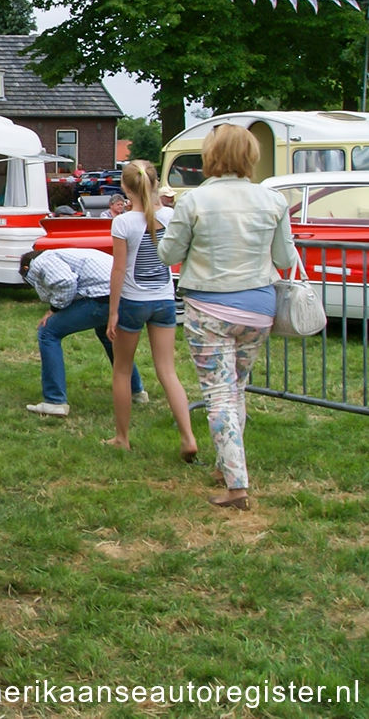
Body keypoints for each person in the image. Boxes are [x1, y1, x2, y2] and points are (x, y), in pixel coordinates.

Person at [157, 124, 296, 511]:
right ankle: (225, 464)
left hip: (210, 308)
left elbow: (169, 255)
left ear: (210, 155)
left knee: (218, 393)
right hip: (259, 308)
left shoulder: (194, 201)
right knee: (236, 388)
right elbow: (285, 259)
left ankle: (236, 485)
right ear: (250, 156)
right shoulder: (272, 201)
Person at [105, 160, 199, 459]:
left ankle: (122, 437)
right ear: (156, 183)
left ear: (124, 188)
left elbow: (119, 270)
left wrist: (112, 312)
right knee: (168, 371)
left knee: (121, 370)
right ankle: (187, 436)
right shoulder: (170, 216)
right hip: (164, 301)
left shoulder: (122, 222)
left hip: (133, 302)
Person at [21, 249, 146, 416]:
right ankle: (136, 391)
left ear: (26, 267)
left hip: (103, 297)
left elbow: (66, 282)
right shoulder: (70, 254)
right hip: (126, 295)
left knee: (47, 332)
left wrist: (54, 309)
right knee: (107, 334)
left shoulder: (41, 261)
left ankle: (54, 401)